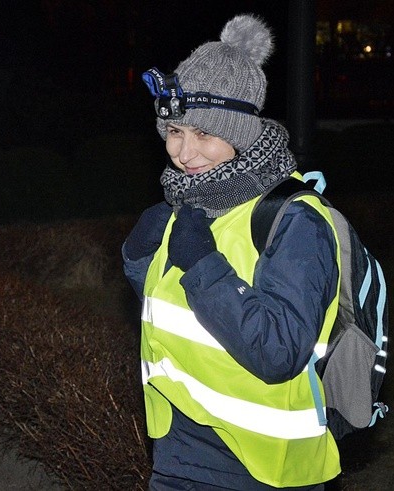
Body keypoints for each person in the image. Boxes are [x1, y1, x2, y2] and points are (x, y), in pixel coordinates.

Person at [122, 15, 342, 490]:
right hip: (179, 453)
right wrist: (140, 262)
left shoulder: (295, 220)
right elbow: (185, 314)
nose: (184, 152)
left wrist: (202, 265)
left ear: (240, 134)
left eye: (204, 135)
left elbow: (279, 348)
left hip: (261, 470)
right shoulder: (192, 201)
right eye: (175, 132)